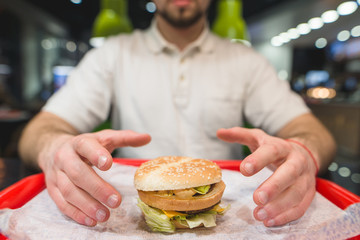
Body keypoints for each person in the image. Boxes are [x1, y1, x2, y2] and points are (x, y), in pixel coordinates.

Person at [18, 0, 336, 229]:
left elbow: (311, 130)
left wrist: (304, 152)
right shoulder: (111, 55)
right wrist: (54, 150)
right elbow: (42, 129)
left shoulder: (246, 61)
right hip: (127, 207)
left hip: (234, 210)